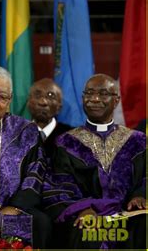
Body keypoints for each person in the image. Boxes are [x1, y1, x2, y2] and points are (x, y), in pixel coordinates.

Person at [44, 74, 146, 249]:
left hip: (128, 215)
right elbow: (59, 187)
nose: (94, 99)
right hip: (86, 215)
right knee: (87, 230)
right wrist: (81, 209)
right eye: (89, 93)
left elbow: (145, 176)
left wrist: (141, 195)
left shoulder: (137, 141)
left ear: (116, 100)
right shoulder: (66, 143)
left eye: (103, 94)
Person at [0, 66, 51, 248]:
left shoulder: (25, 131)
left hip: (12, 207)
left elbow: (36, 173)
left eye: (2, 97)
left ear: (9, 101)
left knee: (41, 222)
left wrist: (16, 207)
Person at [26, 78, 72, 161]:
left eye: (50, 96)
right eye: (37, 95)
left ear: (59, 107)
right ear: (28, 102)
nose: (43, 102)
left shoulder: (72, 137)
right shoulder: (18, 135)